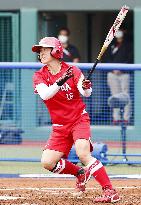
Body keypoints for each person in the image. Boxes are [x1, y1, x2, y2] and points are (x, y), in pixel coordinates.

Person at [32, 37, 120, 203]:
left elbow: (85, 92)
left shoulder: (72, 69)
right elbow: (45, 94)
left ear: (56, 50)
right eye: (40, 50)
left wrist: (86, 87)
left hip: (78, 119)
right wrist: (61, 80)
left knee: (83, 154)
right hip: (59, 126)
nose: (41, 53)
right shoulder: (39, 75)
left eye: (45, 49)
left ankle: (110, 191)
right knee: (47, 162)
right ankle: (80, 173)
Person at [104, 29, 133, 124]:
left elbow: (130, 58)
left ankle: (126, 118)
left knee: (125, 95)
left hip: (124, 73)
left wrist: (121, 69)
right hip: (112, 73)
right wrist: (113, 68)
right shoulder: (111, 44)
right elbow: (106, 58)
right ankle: (116, 118)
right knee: (115, 96)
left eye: (120, 30)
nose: (118, 32)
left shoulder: (128, 44)